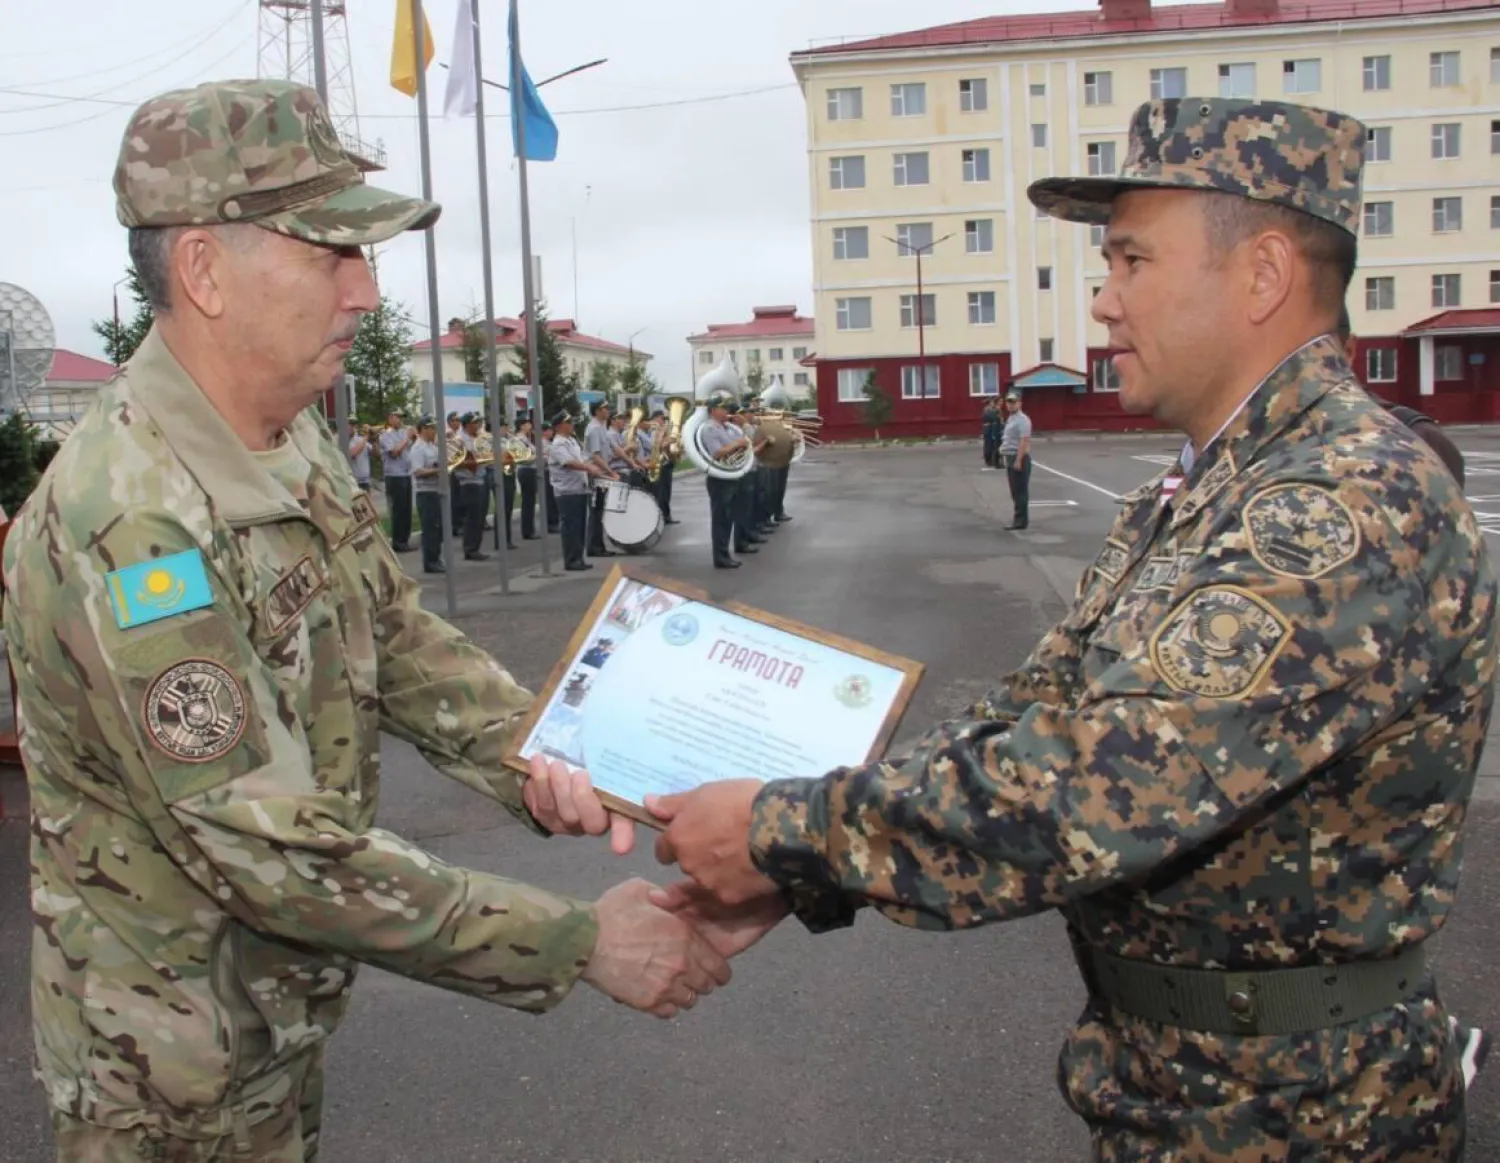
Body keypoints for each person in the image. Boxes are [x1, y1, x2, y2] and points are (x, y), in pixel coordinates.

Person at [633, 97, 1500, 1158]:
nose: (1103, 302)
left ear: (1263, 274)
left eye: (1133, 261)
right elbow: (1023, 721)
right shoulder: (1205, 494)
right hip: (1189, 1093)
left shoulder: (1344, 503)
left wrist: (780, 830)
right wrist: (800, 863)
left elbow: (1102, 780)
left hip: (1302, 1117)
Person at [1, 79, 733, 1163]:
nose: (366, 291)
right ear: (204, 271)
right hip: (166, 1071)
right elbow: (269, 850)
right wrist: (578, 940)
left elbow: (394, 634)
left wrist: (553, 751)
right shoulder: (129, 522)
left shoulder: (284, 435)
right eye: (330, 253)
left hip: (271, 1014)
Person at [548, 410, 603, 571]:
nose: (573, 425)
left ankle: (578, 557)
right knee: (570, 526)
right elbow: (568, 463)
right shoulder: (558, 444)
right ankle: (571, 560)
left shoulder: (572, 441)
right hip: (567, 491)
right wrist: (588, 467)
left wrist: (594, 466)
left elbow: (581, 458)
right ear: (560, 426)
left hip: (579, 489)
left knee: (579, 526)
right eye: (569, 422)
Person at [700, 392, 749, 569]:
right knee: (721, 519)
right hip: (719, 478)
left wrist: (741, 441)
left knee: (728, 518)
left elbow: (741, 444)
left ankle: (724, 554)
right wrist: (737, 445)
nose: (727, 410)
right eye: (722, 407)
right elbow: (717, 452)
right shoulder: (709, 428)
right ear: (713, 410)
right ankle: (720, 557)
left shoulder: (726, 428)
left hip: (730, 475)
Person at [410, 414, 446, 574]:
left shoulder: (432, 446)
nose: (434, 431)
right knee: (430, 528)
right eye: (431, 428)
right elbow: (418, 471)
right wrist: (438, 470)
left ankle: (436, 558)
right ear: (423, 429)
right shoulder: (418, 448)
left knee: (438, 529)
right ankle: (430, 562)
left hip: (435, 490)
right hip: (425, 493)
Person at [583, 401, 618, 558]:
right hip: (596, 475)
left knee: (599, 511)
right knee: (596, 511)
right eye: (605, 409)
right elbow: (595, 456)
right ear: (597, 411)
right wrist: (610, 472)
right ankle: (594, 547)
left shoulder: (601, 427)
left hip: (601, 473)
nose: (608, 411)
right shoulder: (595, 429)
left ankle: (599, 546)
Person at [378, 408, 414, 551]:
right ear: (390, 418)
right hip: (394, 476)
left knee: (407, 510)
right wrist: (408, 438)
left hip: (406, 474)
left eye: (401, 417)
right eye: (397, 417)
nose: (400, 420)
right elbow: (394, 452)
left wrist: (412, 437)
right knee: (398, 511)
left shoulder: (404, 433)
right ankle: (398, 542)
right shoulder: (386, 435)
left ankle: (405, 540)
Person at [455, 412, 489, 562]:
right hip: (468, 481)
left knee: (480, 516)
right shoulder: (460, 440)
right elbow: (458, 462)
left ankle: (476, 547)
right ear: (467, 425)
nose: (478, 425)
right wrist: (477, 461)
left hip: (480, 479)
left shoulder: (478, 438)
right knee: (472, 517)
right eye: (475, 423)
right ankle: (470, 549)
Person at [999, 389, 1033, 530]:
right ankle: (1019, 519)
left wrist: (1018, 460)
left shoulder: (1022, 420)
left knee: (1020, 491)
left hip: (1018, 457)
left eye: (1013, 402)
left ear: (1020, 403)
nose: (1010, 405)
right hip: (1010, 456)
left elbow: (1024, 441)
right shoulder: (1011, 418)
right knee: (1015, 491)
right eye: (1008, 402)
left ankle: (1020, 522)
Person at [515, 415, 541, 541]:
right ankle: (527, 530)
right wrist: (537, 456)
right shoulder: (520, 439)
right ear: (521, 425)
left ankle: (530, 529)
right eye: (527, 423)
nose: (530, 426)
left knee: (530, 502)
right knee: (528, 502)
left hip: (531, 470)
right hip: (526, 470)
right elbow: (524, 458)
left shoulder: (527, 439)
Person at [540, 421, 561, 533]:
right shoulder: (542, 443)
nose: (551, 432)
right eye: (548, 430)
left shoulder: (549, 442)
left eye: (551, 430)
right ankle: (551, 524)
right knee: (549, 499)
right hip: (546, 471)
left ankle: (554, 522)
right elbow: (545, 457)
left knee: (553, 499)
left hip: (551, 471)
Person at [347, 423, 371, 491]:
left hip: (365, 481)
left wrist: (375, 439)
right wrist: (366, 436)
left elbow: (376, 454)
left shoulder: (360, 439)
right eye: (349, 424)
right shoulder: (339, 439)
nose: (352, 427)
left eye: (353, 425)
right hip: (351, 482)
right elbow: (352, 454)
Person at [981, 396, 1002, 470]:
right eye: (992, 402)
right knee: (989, 445)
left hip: (991, 429)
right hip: (989, 429)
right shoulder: (988, 409)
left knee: (991, 445)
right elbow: (992, 418)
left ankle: (991, 460)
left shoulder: (991, 409)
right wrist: (996, 412)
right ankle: (989, 460)